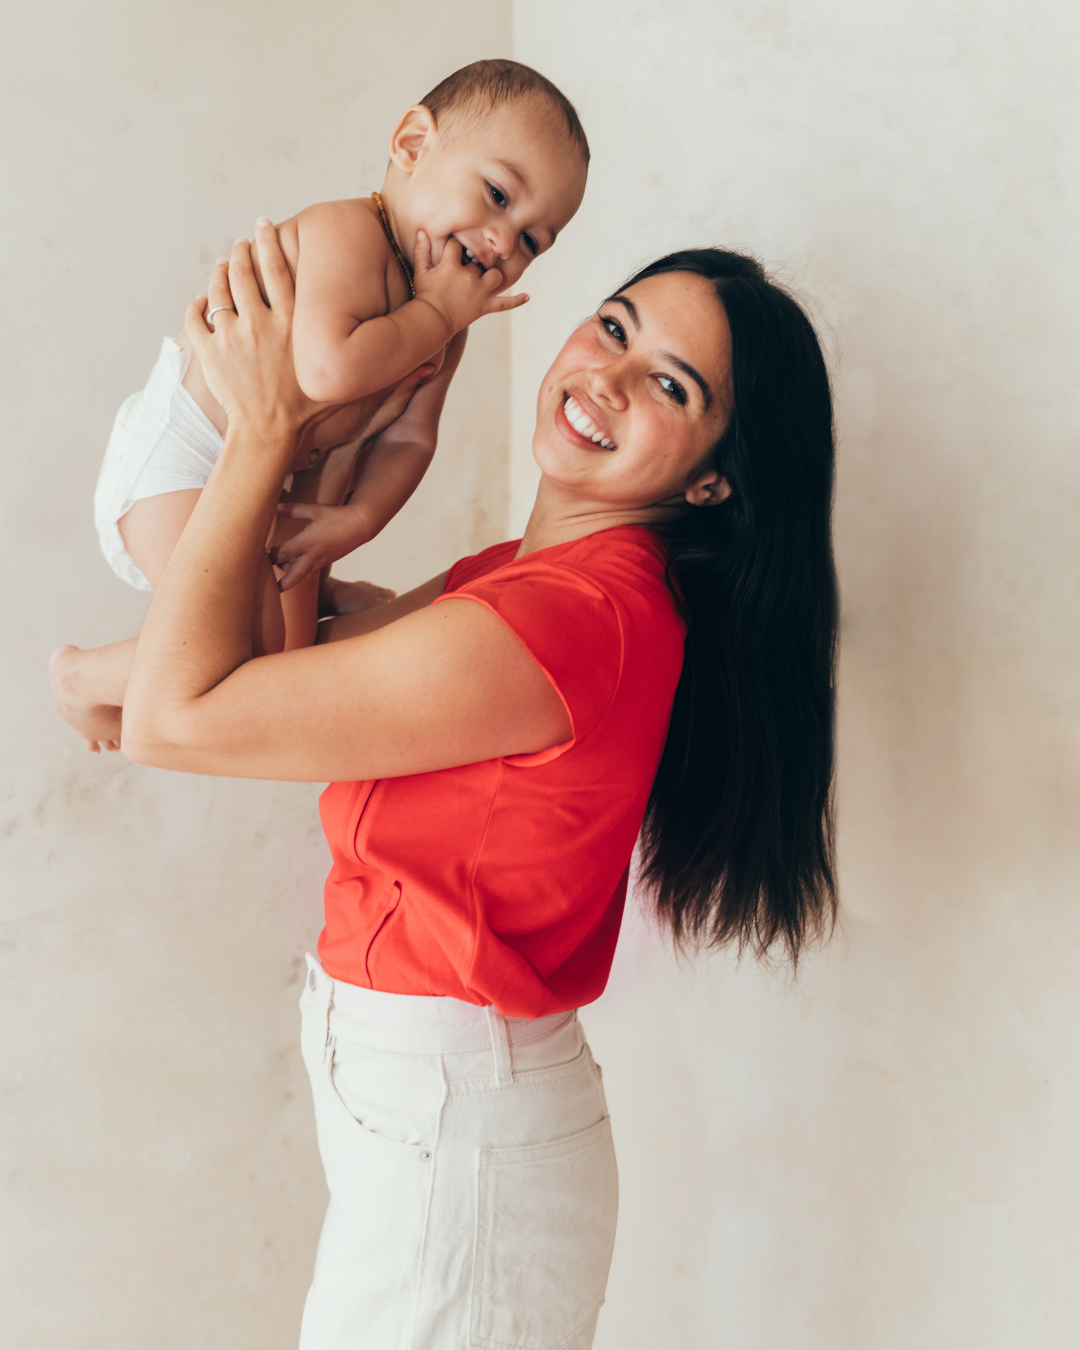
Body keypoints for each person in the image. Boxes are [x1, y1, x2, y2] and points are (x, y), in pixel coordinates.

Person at [62, 220, 839, 1348]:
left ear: (717, 477)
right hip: (427, 1120)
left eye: (666, 383)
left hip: (458, 1139)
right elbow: (289, 668)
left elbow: (184, 716)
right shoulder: (531, 581)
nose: (605, 378)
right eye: (613, 328)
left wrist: (265, 434)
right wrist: (343, 462)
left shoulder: (570, 620)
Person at [63, 59, 588, 741]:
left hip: (271, 477)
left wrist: (360, 520)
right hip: (179, 465)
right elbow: (328, 370)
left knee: (290, 661)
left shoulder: (443, 320)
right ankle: (79, 678)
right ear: (410, 145)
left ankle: (312, 605)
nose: (501, 243)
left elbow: (409, 438)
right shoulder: (349, 236)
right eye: (495, 194)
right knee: (240, 658)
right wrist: (433, 314)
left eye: (530, 241)